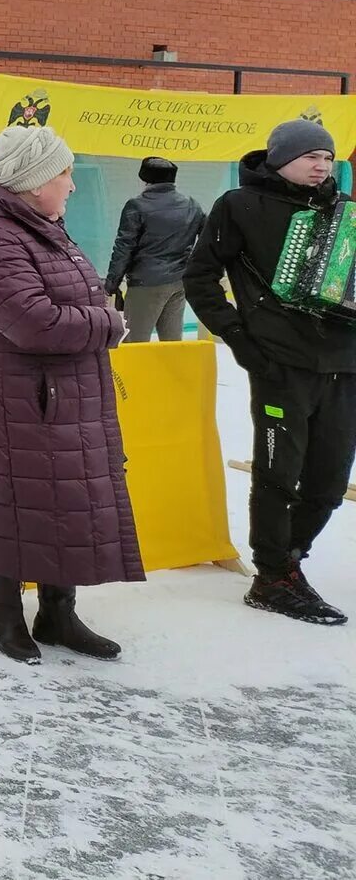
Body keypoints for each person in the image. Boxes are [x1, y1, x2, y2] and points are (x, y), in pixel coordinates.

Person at [0, 125, 139, 665]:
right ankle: (5, 617)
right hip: (19, 402)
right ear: (36, 182)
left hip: (62, 397)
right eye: (65, 174)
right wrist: (108, 323)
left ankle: (58, 614)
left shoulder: (42, 229)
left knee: (64, 505)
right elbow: (33, 323)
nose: (72, 185)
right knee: (11, 503)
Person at [184, 118, 356, 625]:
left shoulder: (345, 212)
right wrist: (240, 339)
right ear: (281, 158)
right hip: (279, 363)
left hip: (345, 364)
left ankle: (291, 559)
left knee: (329, 481)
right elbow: (200, 278)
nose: (321, 165)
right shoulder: (238, 206)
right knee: (279, 474)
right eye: (310, 156)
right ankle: (272, 575)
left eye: (327, 157)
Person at [104, 156, 205, 342]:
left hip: (146, 284)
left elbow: (123, 248)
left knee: (134, 344)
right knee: (172, 344)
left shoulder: (137, 206)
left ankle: (137, 373)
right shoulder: (192, 204)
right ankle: (171, 372)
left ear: (144, 177)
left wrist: (111, 284)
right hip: (179, 282)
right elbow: (208, 240)